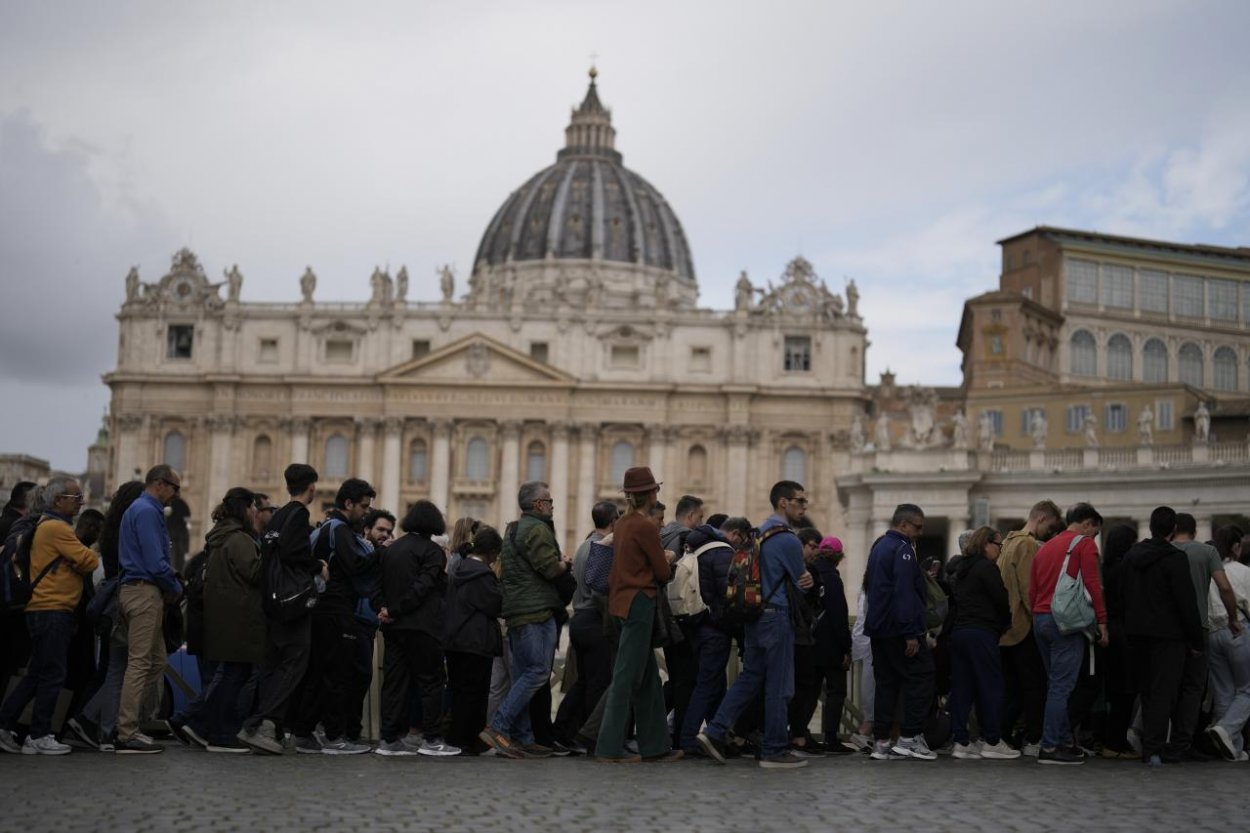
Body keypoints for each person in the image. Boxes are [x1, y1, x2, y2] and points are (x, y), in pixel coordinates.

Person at [698, 480, 814, 770]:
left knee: (750, 678)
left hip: (753, 615)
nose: (804, 506)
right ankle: (775, 749)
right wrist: (808, 581)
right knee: (780, 685)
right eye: (799, 501)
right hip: (776, 616)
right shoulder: (787, 539)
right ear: (783, 503)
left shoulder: (757, 533)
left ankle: (714, 732)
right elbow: (802, 584)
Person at [0, 479, 99, 755]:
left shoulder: (46, 525)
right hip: (53, 609)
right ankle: (39, 734)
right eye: (76, 497)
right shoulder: (57, 528)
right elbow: (90, 561)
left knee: (37, 674)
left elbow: (79, 560)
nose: (81, 501)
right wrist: (81, 557)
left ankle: (4, 725)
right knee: (53, 674)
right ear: (58, 501)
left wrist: (75, 559)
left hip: (42, 609)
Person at [479, 481, 572, 759]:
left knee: (522, 673)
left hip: (517, 611)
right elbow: (549, 569)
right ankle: (499, 726)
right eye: (550, 500)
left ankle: (522, 737)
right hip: (536, 610)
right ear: (538, 504)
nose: (553, 505)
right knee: (538, 672)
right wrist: (565, 564)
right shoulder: (537, 529)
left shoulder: (514, 529)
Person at [595, 467, 681, 763]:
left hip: (620, 603)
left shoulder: (622, 524)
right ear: (651, 494)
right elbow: (661, 571)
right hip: (639, 603)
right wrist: (668, 558)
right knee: (626, 677)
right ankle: (607, 747)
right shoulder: (645, 527)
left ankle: (656, 747)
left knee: (647, 679)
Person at [237, 463, 324, 755]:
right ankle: (261, 724)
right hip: (292, 603)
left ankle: (268, 728)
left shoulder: (277, 517)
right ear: (311, 487)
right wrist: (318, 566)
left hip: (273, 600)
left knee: (274, 665)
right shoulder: (299, 514)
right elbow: (293, 551)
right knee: (295, 663)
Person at [290, 477, 377, 755]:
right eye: (363, 507)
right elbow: (356, 566)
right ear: (348, 503)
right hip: (337, 609)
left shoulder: (324, 528)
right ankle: (334, 736)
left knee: (317, 673)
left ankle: (303, 732)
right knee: (337, 674)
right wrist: (381, 554)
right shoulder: (339, 531)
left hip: (321, 609)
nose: (366, 512)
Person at [1121, 506, 1203, 767]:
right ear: (1174, 530)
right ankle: (1154, 748)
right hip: (1169, 637)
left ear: (1151, 527)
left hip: (1136, 634)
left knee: (1146, 690)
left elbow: (1123, 594)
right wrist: (1196, 639)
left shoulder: (1132, 556)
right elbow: (1186, 602)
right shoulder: (1175, 559)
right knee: (1163, 693)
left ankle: (1148, 745)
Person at [374, 500, 457, 757]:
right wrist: (396, 609)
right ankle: (431, 739)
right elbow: (422, 587)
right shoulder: (433, 552)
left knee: (395, 682)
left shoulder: (391, 549)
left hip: (394, 627)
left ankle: (389, 739)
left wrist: (383, 609)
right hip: (423, 627)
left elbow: (377, 585)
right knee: (431, 682)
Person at [66, 481, 145, 751]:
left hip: (109, 605)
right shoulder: (129, 529)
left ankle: (91, 722)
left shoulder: (111, 529)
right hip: (121, 603)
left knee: (110, 668)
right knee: (116, 669)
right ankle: (90, 720)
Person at [1029, 502, 1108, 765]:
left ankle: (1062, 740)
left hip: (1040, 619)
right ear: (1087, 524)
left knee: (1055, 683)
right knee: (1062, 687)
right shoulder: (1084, 545)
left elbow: (1033, 589)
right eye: (1095, 532)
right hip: (1065, 621)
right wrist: (1102, 622)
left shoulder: (1045, 547)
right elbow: (1094, 585)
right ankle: (1050, 747)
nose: (1094, 538)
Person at [115, 465, 183, 754]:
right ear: (159, 484)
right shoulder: (146, 511)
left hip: (143, 590)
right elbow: (155, 561)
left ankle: (136, 723)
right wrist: (175, 587)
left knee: (156, 661)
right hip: (143, 591)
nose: (175, 495)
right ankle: (126, 732)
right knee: (141, 662)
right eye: (174, 488)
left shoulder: (142, 509)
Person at [862, 504, 936, 761]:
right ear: (903, 524)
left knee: (886, 684)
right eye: (917, 526)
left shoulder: (879, 547)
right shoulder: (903, 549)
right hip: (898, 628)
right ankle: (909, 737)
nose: (920, 532)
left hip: (879, 629)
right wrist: (911, 632)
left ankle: (881, 742)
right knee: (922, 677)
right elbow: (904, 592)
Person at [1170, 512, 1241, 760]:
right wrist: (1233, 618)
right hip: (1198, 627)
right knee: (1193, 688)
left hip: (1168, 630)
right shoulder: (1206, 553)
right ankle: (1183, 742)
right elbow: (1224, 587)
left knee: (1168, 686)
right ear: (1194, 531)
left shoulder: (1164, 551)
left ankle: (1158, 740)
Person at [197, 487, 263, 753]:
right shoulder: (239, 540)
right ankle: (221, 734)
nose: (255, 513)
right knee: (234, 677)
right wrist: (271, 554)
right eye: (253, 508)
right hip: (239, 617)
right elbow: (255, 573)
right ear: (244, 509)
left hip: (224, 616)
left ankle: (209, 727)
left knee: (230, 676)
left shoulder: (220, 536)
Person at [946, 526, 1019, 760]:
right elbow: (1001, 599)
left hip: (959, 633)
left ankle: (961, 741)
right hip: (981, 632)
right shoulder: (987, 568)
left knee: (962, 688)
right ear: (986, 544)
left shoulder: (960, 568)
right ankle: (992, 740)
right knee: (990, 686)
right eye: (999, 545)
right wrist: (1004, 624)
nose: (1000, 550)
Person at [997, 499, 1062, 755]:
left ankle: (1001, 734)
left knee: (1012, 688)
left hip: (1006, 628)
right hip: (1023, 626)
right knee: (1034, 687)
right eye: (1050, 527)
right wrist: (1040, 617)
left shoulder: (1008, 543)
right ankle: (1034, 739)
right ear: (1042, 519)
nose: (1050, 533)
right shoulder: (1026, 544)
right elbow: (1028, 588)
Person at [552, 501, 618, 749]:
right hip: (594, 619)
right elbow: (600, 589)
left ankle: (561, 730)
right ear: (613, 522)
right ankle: (592, 737)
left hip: (579, 619)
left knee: (583, 681)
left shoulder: (582, 547)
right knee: (598, 682)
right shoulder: (602, 549)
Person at [440, 525, 504, 756]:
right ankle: (466, 740)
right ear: (491, 552)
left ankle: (456, 737)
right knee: (475, 694)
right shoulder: (482, 575)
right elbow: (496, 605)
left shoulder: (459, 569)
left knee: (458, 692)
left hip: (455, 640)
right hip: (476, 642)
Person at [677, 520, 737, 755]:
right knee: (706, 684)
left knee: (714, 682)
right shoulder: (722, 553)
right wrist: (729, 623)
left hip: (695, 625)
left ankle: (715, 736)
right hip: (715, 628)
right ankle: (688, 738)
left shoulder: (694, 552)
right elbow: (727, 594)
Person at [658, 494, 704, 746]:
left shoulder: (662, 535)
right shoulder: (684, 539)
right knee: (686, 678)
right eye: (699, 517)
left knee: (676, 677)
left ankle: (661, 728)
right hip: (682, 618)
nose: (700, 522)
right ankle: (681, 737)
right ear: (689, 516)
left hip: (665, 618)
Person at [1205, 525, 1250, 761]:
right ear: (1235, 546)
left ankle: (1233, 748)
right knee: (1247, 689)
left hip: (1212, 633)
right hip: (1238, 628)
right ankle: (1227, 729)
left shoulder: (1211, 570)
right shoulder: (1242, 571)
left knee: (1224, 692)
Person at [1097, 524, 1139, 759]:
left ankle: (1112, 740)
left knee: (1114, 690)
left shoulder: (1105, 568)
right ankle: (1116, 743)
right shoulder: (1129, 569)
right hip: (1125, 632)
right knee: (1126, 691)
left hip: (1109, 629)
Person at [810, 535, 854, 755]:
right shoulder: (833, 578)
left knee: (809, 691)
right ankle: (830, 737)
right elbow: (838, 616)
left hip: (809, 642)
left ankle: (799, 734)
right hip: (831, 646)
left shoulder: (809, 573)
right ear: (838, 557)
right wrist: (846, 648)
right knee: (836, 691)